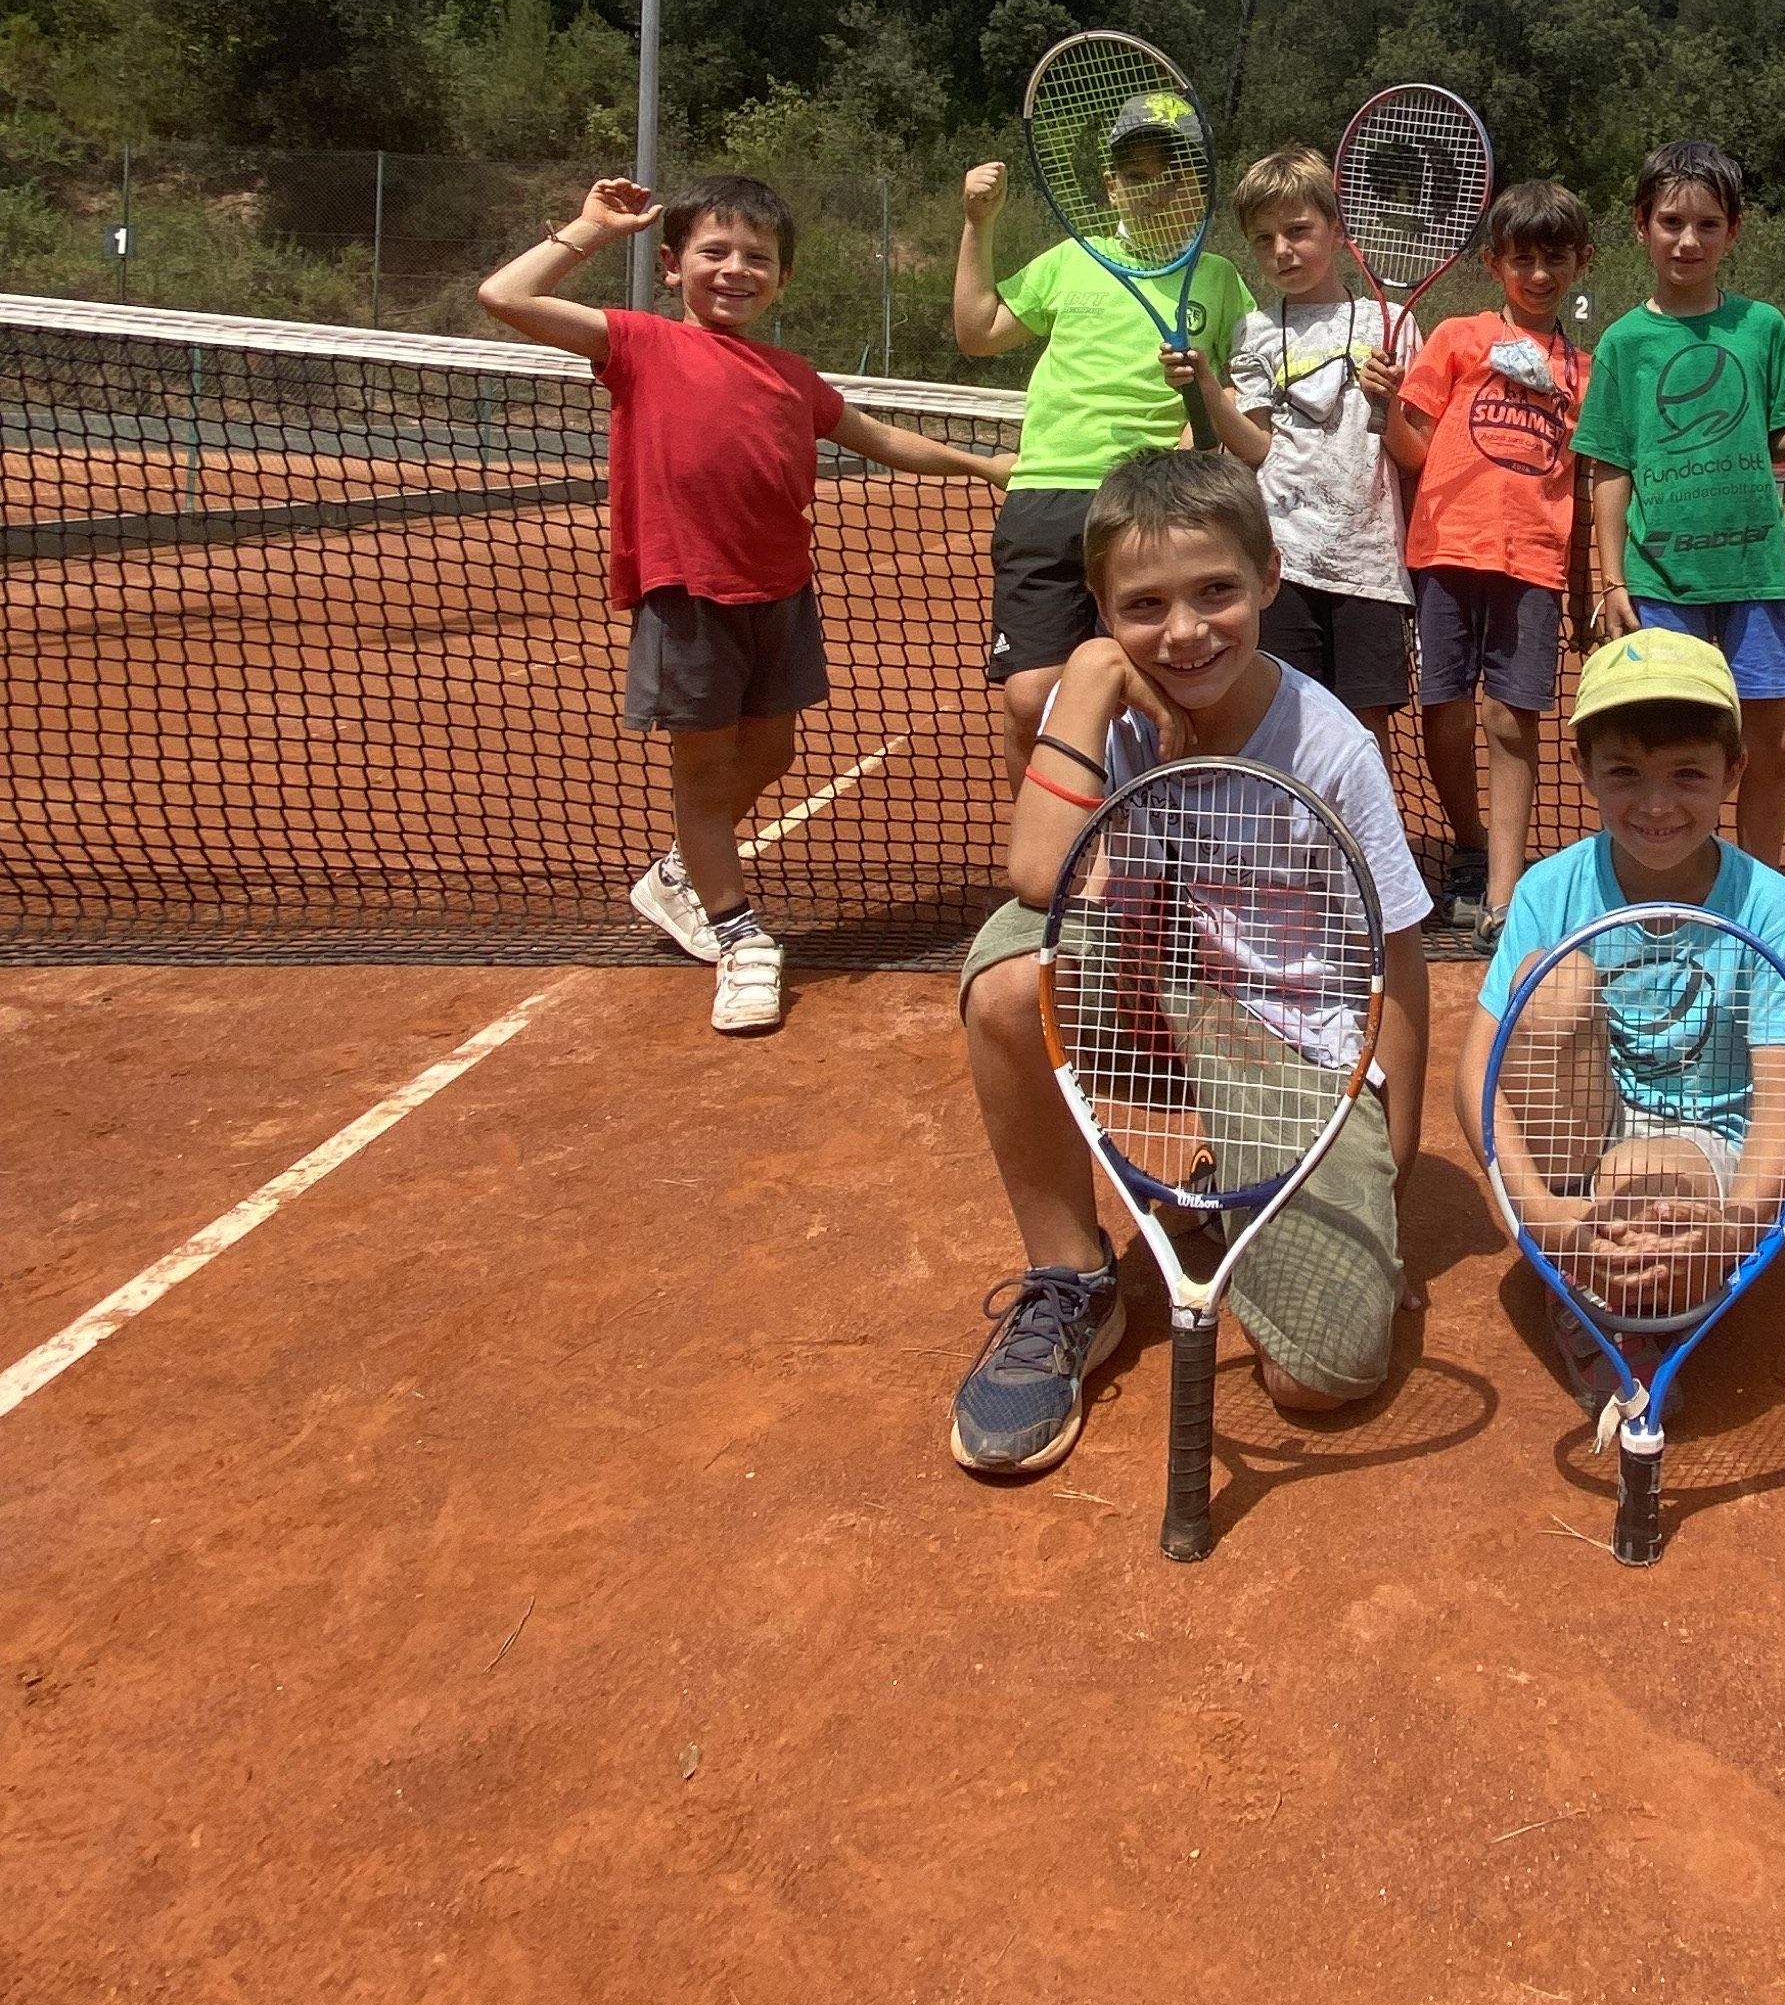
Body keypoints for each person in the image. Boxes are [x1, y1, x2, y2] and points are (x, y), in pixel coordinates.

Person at [949, 447, 1434, 1483]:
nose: (1184, 631)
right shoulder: (1104, 706)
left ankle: (1236, 1198)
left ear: (1268, 579)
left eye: (1216, 591)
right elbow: (1038, 872)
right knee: (1004, 985)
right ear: (1102, 610)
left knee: (1321, 1377)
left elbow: (1396, 958)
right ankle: (1072, 1280)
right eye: (1143, 604)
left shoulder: (1333, 748)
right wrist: (1085, 682)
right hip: (1157, 995)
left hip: (1290, 1044)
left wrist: (1390, 1164)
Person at [478, 173, 1016, 1038]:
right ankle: (735, 933)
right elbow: (504, 295)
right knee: (700, 772)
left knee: (772, 749)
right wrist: (587, 229)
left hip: (781, 594)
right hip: (687, 594)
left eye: (757, 258)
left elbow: (882, 440)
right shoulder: (638, 344)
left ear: (783, 278)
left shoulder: (792, 376)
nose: (736, 270)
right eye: (715, 252)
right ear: (671, 265)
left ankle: (681, 870)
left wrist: (985, 467)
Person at [1457, 630, 1785, 1412]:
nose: (1656, 806)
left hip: (1702, 1148)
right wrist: (1538, 1213)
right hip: (1584, 1127)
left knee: (1646, 1206)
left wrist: (1738, 1228)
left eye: (1687, 774)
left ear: (1735, 770)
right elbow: (1474, 1076)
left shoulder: (1769, 906)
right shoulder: (1549, 888)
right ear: (1585, 770)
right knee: (1545, 981)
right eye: (1625, 774)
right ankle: (1587, 1275)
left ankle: (1622, 1282)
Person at [1571, 135, 1785, 980]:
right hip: (1661, 581)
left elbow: (1782, 438)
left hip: (1755, 576)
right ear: (1641, 228)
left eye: (1706, 224)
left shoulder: (1761, 327)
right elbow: (1611, 467)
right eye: (1671, 222)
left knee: (1770, 744)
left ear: (1732, 231)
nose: (1687, 240)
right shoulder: (1626, 342)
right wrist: (1610, 579)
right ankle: (1652, 910)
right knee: (1660, 745)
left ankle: (1768, 914)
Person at [953, 91, 1253, 789]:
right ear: (1112, 186)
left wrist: (1193, 431)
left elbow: (1241, 388)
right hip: (1049, 491)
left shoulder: (1221, 278)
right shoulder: (1071, 260)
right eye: (1135, 173)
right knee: (1032, 697)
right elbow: (977, 331)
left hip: (1152, 502)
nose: (1153, 189)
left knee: (1170, 683)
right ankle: (1050, 845)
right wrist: (978, 225)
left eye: (1170, 172)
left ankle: (1160, 844)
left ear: (1197, 185)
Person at [1383, 177, 1597, 937]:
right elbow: (1410, 452)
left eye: (1555, 258)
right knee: (1443, 710)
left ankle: (1503, 892)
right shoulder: (1457, 338)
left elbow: (1580, 482)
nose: (1539, 274)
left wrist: (1580, 593)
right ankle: (1470, 845)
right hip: (1443, 552)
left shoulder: (1585, 371)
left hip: (1533, 566)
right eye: (1523, 258)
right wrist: (1385, 408)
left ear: (1582, 263)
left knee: (1513, 719)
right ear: (1494, 263)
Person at [1192, 144, 1411, 750]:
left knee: (1365, 733)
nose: (1282, 250)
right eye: (1264, 240)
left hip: (1369, 564)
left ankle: (1360, 847)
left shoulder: (1388, 324)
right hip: (1283, 558)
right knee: (1290, 724)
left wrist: (1387, 404)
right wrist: (1211, 388)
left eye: (1298, 231)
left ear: (1337, 231)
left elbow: (1415, 452)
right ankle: (1293, 849)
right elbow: (1255, 449)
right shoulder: (1254, 331)